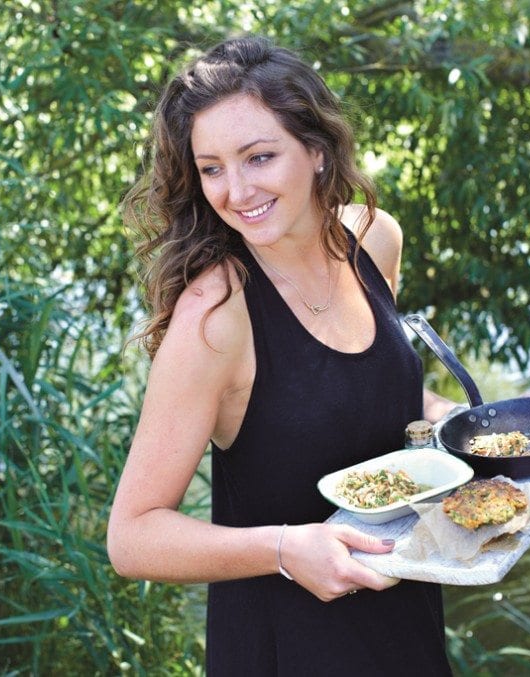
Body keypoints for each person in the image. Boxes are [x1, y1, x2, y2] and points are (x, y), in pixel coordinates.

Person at [107, 35, 459, 675]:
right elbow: (132, 536)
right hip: (285, 645)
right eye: (211, 168)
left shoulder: (373, 240)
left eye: (259, 157)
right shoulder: (214, 318)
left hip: (402, 616)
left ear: (317, 152)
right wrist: (283, 549)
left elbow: (358, 397)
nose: (236, 191)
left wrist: (452, 422)